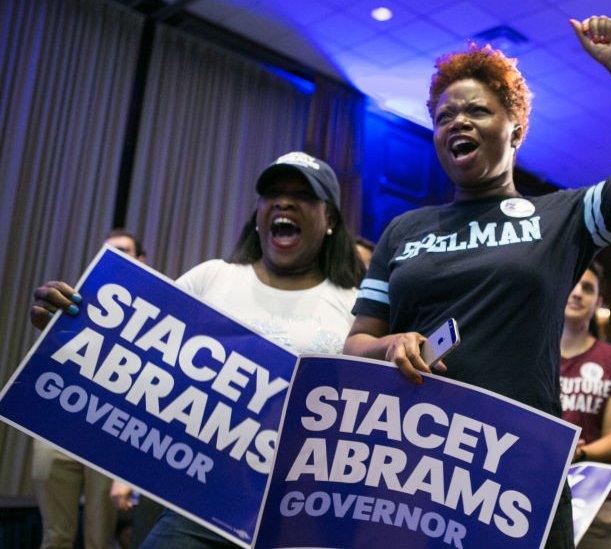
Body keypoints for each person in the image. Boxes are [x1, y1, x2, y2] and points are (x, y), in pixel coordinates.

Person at [343, 15, 611, 547]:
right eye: (444, 116)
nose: (457, 122)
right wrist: (390, 343)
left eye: (477, 111)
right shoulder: (402, 230)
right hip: (411, 464)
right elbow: (353, 348)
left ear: (516, 127)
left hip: (515, 468)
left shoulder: (561, 218)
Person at [31, 151, 364, 548]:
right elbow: (136, 351)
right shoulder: (211, 278)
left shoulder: (354, 304)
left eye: (303, 196)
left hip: (295, 514)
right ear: (258, 214)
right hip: (197, 504)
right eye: (272, 192)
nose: (284, 202)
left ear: (330, 221)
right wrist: (68, 322)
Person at [29, 228, 146, 549]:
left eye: (124, 250)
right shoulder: (77, 299)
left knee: (98, 539)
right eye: (109, 251)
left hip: (106, 436)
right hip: (58, 429)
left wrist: (126, 476)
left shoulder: (156, 314)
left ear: (141, 259)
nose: (117, 257)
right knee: (55, 537)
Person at [559, 262, 611, 548]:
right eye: (573, 284)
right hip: (535, 488)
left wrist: (575, 454)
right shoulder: (531, 353)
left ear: (598, 303)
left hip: (592, 496)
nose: (578, 293)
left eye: (588, 288)